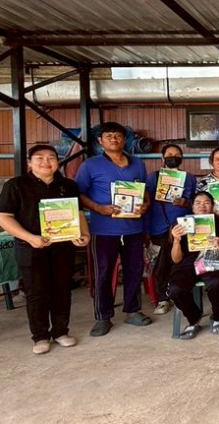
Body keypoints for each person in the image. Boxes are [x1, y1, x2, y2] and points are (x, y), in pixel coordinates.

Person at [0, 145, 90, 354]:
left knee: (61, 289)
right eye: (39, 158)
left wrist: (83, 235)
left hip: (62, 248)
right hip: (30, 248)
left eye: (51, 158)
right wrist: (30, 238)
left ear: (57, 162)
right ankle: (40, 336)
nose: (46, 162)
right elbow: (4, 218)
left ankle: (60, 331)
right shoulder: (16, 185)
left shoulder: (67, 185)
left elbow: (77, 213)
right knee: (36, 292)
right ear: (30, 163)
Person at [75, 122, 152, 337]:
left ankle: (133, 311)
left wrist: (145, 204)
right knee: (103, 273)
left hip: (133, 228)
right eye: (108, 136)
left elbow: (144, 189)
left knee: (134, 271)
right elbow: (78, 194)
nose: (113, 140)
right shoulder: (90, 165)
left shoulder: (137, 164)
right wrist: (99, 208)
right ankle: (103, 316)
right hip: (104, 230)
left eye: (117, 136)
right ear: (100, 141)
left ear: (124, 139)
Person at [168, 191, 219, 338]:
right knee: (175, 288)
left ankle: (216, 316)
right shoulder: (181, 226)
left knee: (216, 282)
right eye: (198, 203)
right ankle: (194, 317)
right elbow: (176, 259)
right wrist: (177, 240)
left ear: (213, 206)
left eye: (206, 203)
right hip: (187, 264)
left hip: (212, 259)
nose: (202, 206)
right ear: (192, 207)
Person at [144, 144, 196, 316]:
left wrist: (185, 203)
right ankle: (162, 299)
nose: (173, 157)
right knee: (161, 265)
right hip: (159, 227)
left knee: (179, 262)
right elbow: (146, 202)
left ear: (181, 158)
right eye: (169, 154)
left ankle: (177, 293)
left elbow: (194, 202)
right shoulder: (153, 178)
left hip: (182, 227)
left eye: (177, 154)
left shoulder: (189, 178)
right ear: (162, 158)